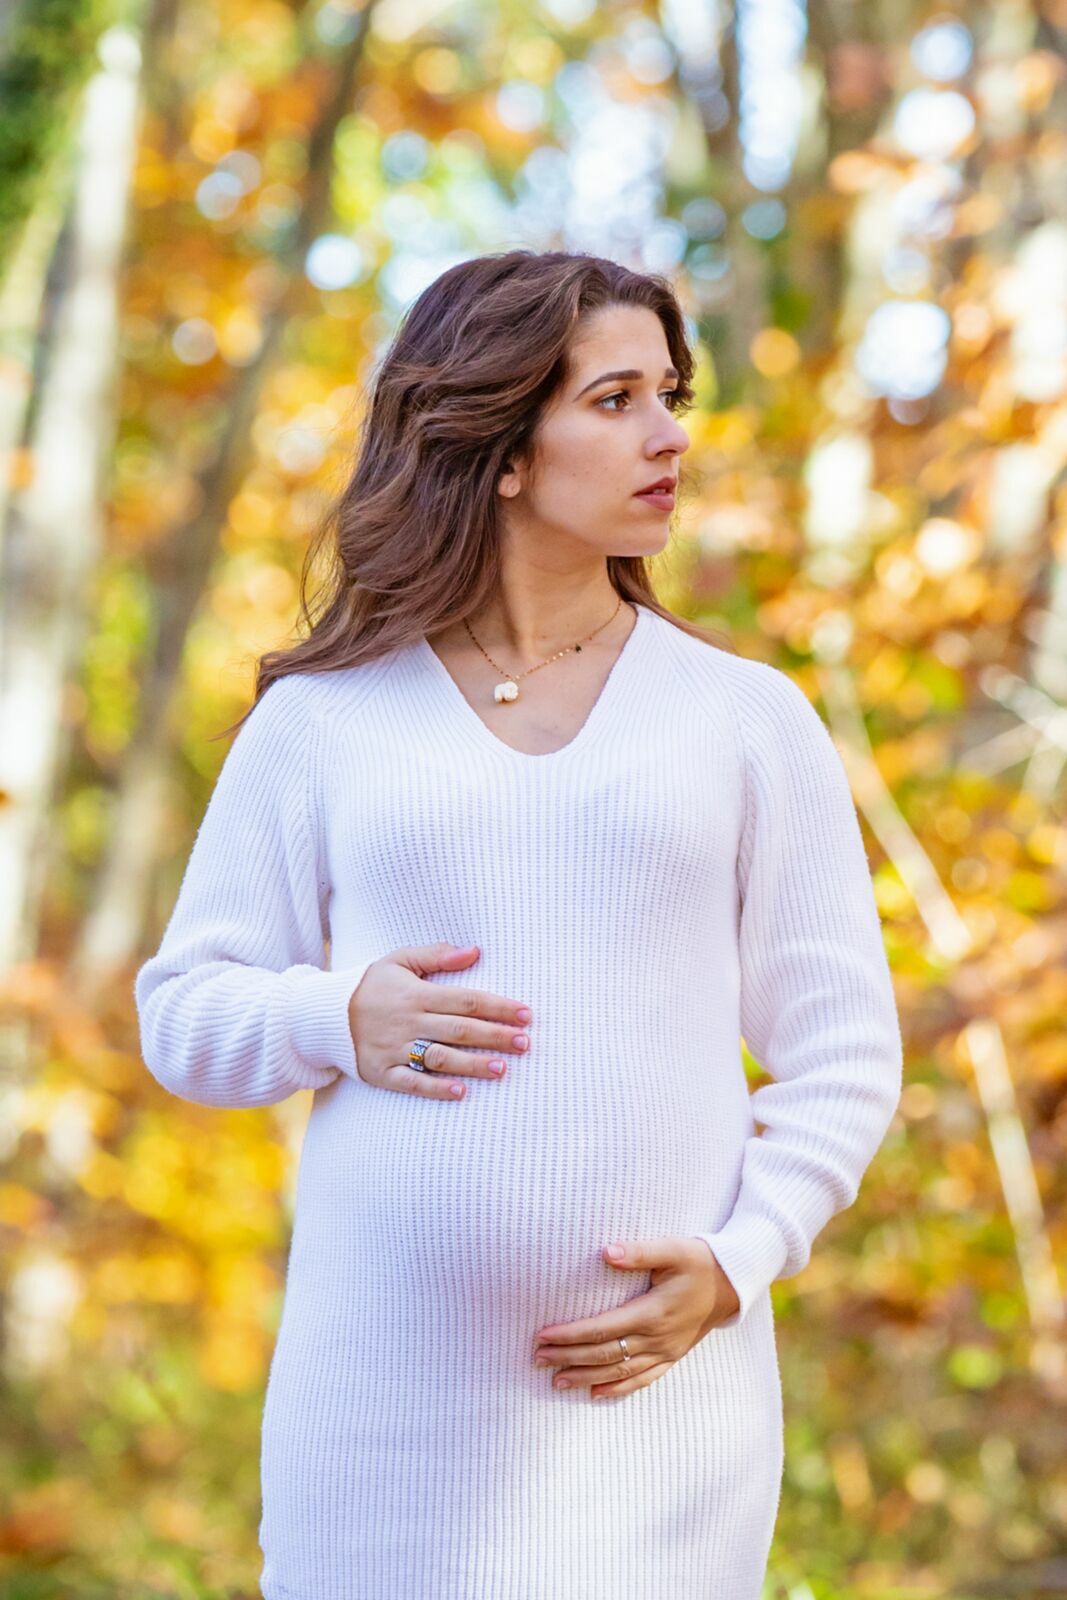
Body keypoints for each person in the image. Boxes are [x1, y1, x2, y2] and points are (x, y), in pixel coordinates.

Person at [134, 248, 904, 1600]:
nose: (669, 434)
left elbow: (844, 1053)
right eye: (615, 400)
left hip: (657, 1435)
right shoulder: (324, 723)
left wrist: (739, 1262)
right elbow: (183, 1018)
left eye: (672, 395)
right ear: (497, 446)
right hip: (376, 1422)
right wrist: (337, 1017)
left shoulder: (746, 720)